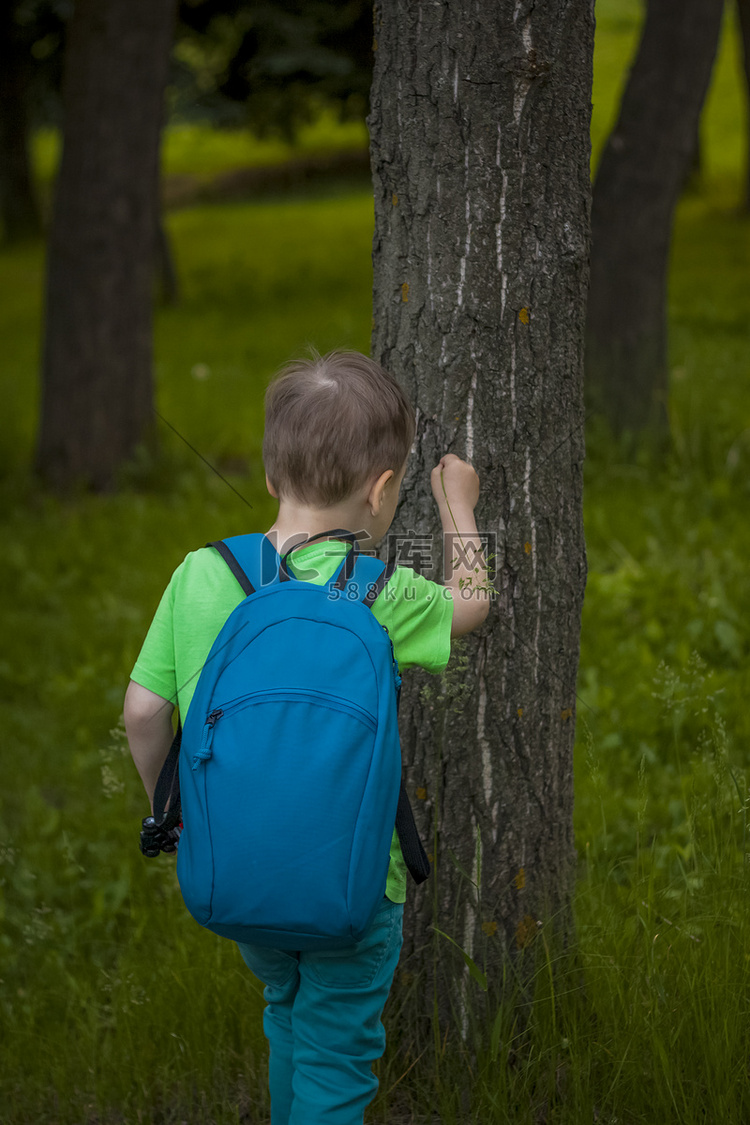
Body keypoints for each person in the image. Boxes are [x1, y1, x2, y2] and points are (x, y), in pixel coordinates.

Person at [124, 350, 489, 1125]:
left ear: (266, 476)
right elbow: (474, 603)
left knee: (285, 1007)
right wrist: (458, 503)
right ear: (383, 488)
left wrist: (171, 812)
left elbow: (145, 710)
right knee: (334, 1053)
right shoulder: (381, 590)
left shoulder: (200, 574)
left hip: (237, 869)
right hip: (354, 884)